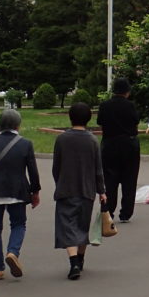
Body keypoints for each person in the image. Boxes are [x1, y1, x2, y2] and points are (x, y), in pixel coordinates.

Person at [0, 109, 41, 280]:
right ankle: (12, 252)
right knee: (18, 224)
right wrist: (35, 191)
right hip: (17, 191)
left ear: (0, 124)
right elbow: (33, 171)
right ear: (18, 125)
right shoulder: (25, 144)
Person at [52, 103, 107, 280]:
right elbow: (98, 169)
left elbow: (56, 167)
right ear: (89, 118)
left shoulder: (62, 139)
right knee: (82, 226)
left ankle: (73, 261)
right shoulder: (92, 140)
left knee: (68, 225)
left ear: (70, 117)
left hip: (66, 188)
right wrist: (102, 191)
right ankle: (80, 258)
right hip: (87, 189)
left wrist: (59, 182)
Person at [97, 77, 141, 224]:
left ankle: (108, 210)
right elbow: (136, 120)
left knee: (110, 179)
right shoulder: (130, 105)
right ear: (127, 91)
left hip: (109, 144)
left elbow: (100, 122)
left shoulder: (104, 105)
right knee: (129, 179)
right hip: (129, 144)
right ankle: (126, 212)